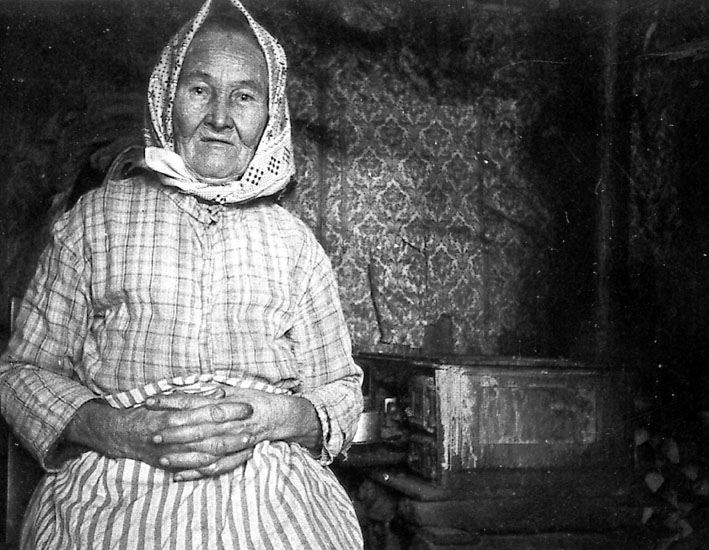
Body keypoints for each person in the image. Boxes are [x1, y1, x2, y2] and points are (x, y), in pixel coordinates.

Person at [0, 0, 364, 548]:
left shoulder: (296, 244)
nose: (220, 118)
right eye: (199, 89)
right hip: (118, 485)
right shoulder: (94, 221)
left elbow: (341, 392)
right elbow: (20, 374)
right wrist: (121, 430)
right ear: (167, 98)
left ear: (271, 116)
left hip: (270, 488)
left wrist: (269, 417)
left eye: (244, 96)